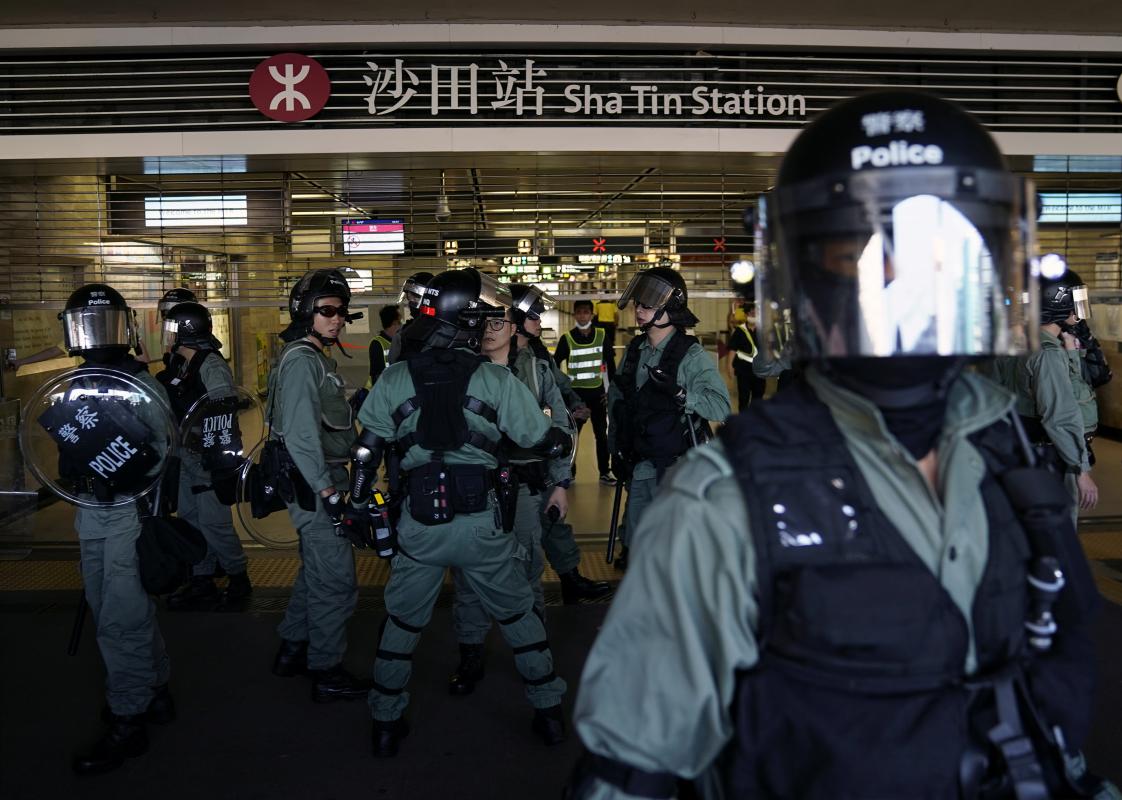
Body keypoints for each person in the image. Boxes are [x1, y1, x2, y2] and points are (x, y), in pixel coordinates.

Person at [567, 91, 1113, 799]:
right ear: (806, 278)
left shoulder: (1010, 452)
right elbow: (631, 772)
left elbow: (1052, 705)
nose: (898, 289)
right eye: (852, 253)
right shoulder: (724, 501)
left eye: (935, 254)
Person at [349, 268, 571, 757]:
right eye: (482, 315)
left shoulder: (393, 378)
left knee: (401, 624)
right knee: (517, 615)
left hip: (419, 525)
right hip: (482, 525)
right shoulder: (497, 379)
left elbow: (365, 453)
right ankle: (549, 713)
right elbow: (539, 437)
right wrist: (560, 439)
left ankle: (386, 723)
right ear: (463, 321)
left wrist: (360, 505)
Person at [54, 284, 176, 774]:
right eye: (88, 322)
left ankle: (130, 718)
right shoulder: (76, 381)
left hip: (128, 510)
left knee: (119, 617)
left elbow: (165, 450)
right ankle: (156, 688)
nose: (96, 335)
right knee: (113, 604)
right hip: (90, 507)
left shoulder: (141, 383)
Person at [445, 290, 572, 695]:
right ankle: (471, 653)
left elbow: (561, 426)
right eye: (481, 322)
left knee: (527, 572)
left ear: (514, 328)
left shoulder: (534, 368)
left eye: (497, 322)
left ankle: (534, 652)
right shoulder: (459, 368)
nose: (488, 330)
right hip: (473, 488)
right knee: (469, 576)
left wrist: (561, 483)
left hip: (523, 485)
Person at [268, 269, 372, 703]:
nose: (337, 319)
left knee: (316, 570)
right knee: (336, 583)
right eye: (327, 310)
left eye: (342, 312)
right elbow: (301, 435)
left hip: (319, 480)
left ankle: (292, 648)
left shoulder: (315, 360)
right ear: (304, 312)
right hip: (315, 484)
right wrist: (329, 495)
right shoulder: (301, 361)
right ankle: (326, 670)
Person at [608, 266, 730, 568]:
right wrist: (617, 450)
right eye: (638, 303)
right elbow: (620, 403)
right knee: (637, 547)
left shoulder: (690, 355)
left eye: (647, 304)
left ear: (671, 307)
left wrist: (680, 394)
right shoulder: (635, 350)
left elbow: (720, 406)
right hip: (638, 467)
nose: (639, 309)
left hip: (676, 471)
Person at [511, 286, 611, 604]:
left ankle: (570, 580)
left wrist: (575, 401)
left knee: (553, 519)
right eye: (534, 316)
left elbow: (556, 382)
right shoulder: (493, 359)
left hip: (538, 457)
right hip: (508, 464)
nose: (540, 321)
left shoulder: (537, 354)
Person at [155, 301, 251, 611]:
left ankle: (238, 576)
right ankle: (202, 578)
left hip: (208, 461)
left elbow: (222, 412)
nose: (166, 336)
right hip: (186, 458)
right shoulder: (181, 364)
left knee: (214, 523)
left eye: (171, 330)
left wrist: (216, 457)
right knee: (191, 520)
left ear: (185, 332)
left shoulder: (210, 365)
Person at [1010, 270, 1099, 516]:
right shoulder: (1048, 354)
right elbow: (1060, 415)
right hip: (1051, 458)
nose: (1078, 309)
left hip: (1025, 453)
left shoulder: (1024, 341)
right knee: (1058, 533)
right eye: (1075, 300)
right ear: (1058, 304)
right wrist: (1080, 469)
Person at [554, 298, 617, 484]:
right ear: (574, 314)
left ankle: (605, 471)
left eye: (586, 312)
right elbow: (555, 365)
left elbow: (610, 365)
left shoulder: (601, 335)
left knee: (601, 435)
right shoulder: (567, 338)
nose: (582, 315)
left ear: (592, 314)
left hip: (597, 395)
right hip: (575, 397)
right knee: (573, 436)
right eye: (579, 312)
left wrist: (611, 391)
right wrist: (563, 391)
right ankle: (570, 472)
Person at [726, 303, 767, 411]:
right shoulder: (740, 331)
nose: (753, 315)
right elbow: (733, 349)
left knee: (758, 397)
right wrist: (729, 366)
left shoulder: (763, 331)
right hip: (743, 370)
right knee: (744, 398)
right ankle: (743, 421)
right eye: (750, 312)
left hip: (759, 370)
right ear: (746, 315)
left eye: (755, 313)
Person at [386, 271, 433, 364]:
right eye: (409, 298)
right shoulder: (403, 334)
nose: (411, 303)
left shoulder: (403, 334)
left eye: (415, 297)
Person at [366, 305, 401, 390]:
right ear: (394, 323)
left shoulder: (400, 341)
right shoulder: (377, 343)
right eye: (400, 321)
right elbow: (376, 375)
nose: (401, 325)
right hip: (384, 392)